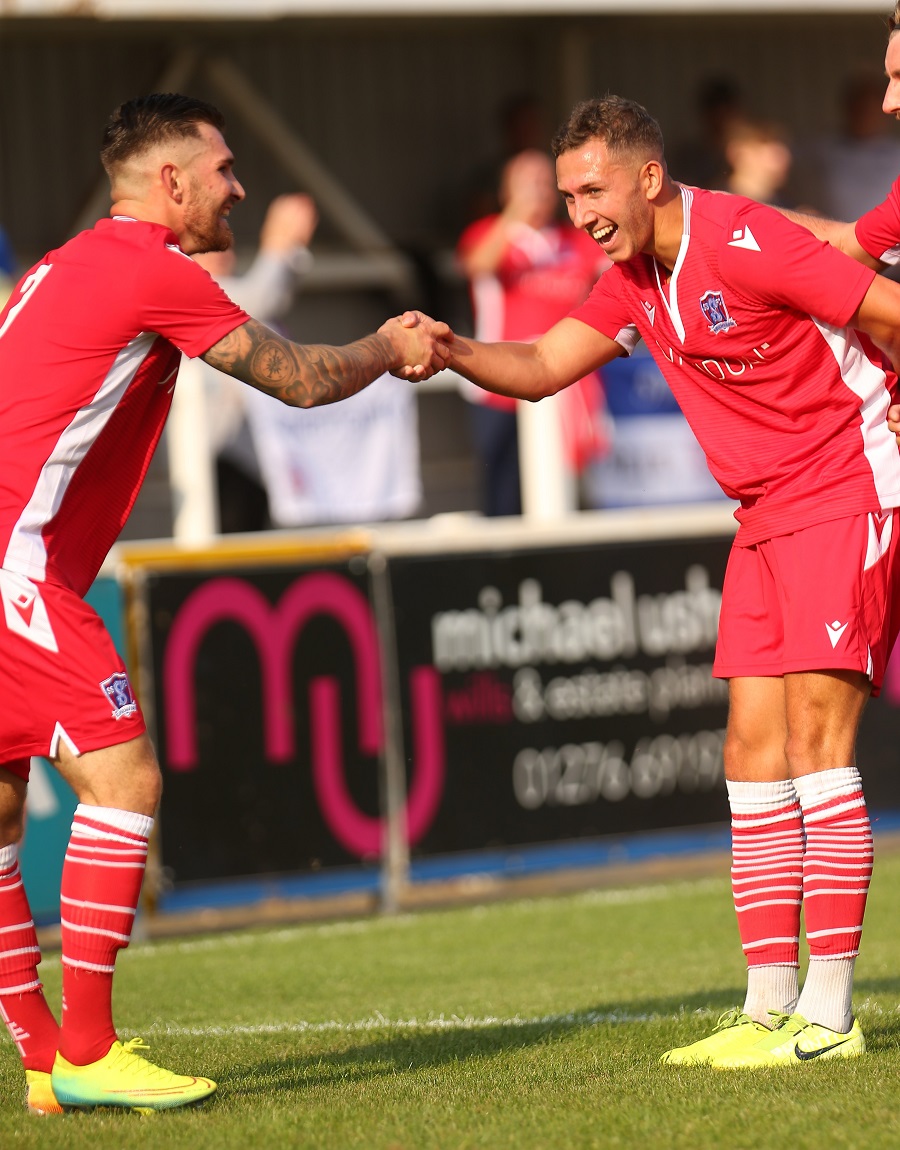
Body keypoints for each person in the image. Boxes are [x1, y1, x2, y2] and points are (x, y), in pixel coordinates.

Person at [0, 92, 449, 1116]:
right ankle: (88, 1046)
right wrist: (388, 345)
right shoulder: (149, 269)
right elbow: (296, 377)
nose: (237, 188)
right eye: (225, 169)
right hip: (14, 565)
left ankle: (40, 1053)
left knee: (2, 803)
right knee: (126, 776)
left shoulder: (64, 264)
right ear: (173, 182)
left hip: (17, 564)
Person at [430, 93, 900, 1068]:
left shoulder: (744, 235)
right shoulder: (633, 276)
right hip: (765, 516)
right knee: (748, 752)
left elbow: (890, 307)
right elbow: (542, 364)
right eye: (565, 196)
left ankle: (831, 1015)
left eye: (592, 189)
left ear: (649, 176)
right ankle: (766, 1010)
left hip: (846, 492)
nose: (579, 212)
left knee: (818, 745)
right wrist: (447, 350)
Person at [456, 148, 608, 516]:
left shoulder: (575, 240)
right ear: (506, 191)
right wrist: (513, 216)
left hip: (566, 384)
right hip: (501, 388)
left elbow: (616, 271)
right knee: (504, 501)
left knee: (568, 498)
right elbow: (477, 265)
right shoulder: (486, 233)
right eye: (527, 182)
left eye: (545, 181)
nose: (538, 190)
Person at [178, 192, 319, 533]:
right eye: (212, 246)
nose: (225, 253)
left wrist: (288, 252)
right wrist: (280, 246)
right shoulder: (189, 293)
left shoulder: (228, 296)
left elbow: (269, 304)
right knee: (232, 545)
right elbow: (258, 299)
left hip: (257, 454)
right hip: (220, 454)